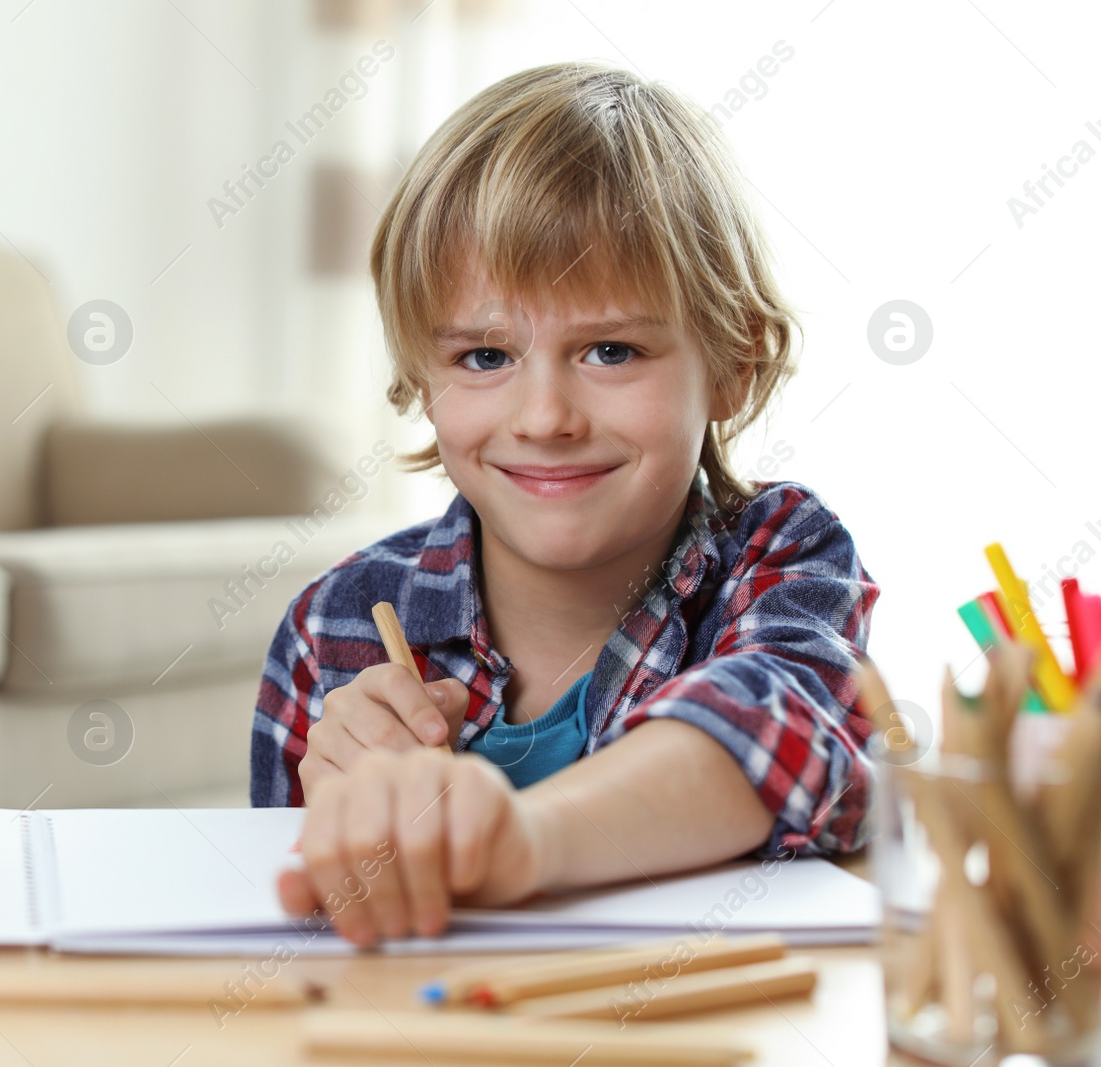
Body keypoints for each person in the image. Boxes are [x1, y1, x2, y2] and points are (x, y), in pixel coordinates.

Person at [247, 61, 879, 947]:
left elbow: (774, 731)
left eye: (612, 351)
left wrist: (519, 840)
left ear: (735, 363)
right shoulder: (332, 630)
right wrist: (347, 815)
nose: (543, 418)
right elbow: (293, 950)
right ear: (419, 381)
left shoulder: (781, 557)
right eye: (484, 356)